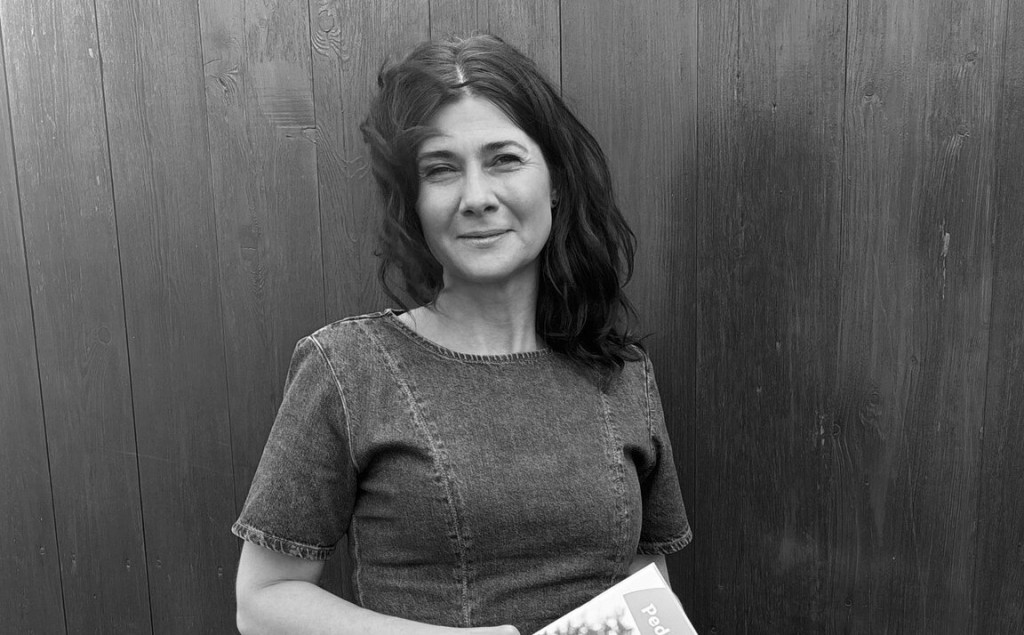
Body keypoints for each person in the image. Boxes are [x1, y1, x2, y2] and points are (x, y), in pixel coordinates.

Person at [232, 34, 691, 635]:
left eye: (504, 159)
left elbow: (646, 579)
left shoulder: (621, 371)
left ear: (555, 182)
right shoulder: (348, 368)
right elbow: (263, 601)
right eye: (441, 169)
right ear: (415, 201)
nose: (477, 198)